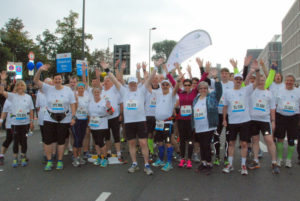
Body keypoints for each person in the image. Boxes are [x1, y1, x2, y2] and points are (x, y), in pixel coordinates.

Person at [102, 60, 157, 175]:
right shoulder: (124, 91)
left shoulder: (142, 91)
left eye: (134, 83)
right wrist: (107, 70)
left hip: (141, 121)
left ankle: (146, 164)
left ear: (137, 84)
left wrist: (155, 67)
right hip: (129, 123)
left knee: (143, 143)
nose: (132, 85)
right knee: (131, 143)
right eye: (131, 83)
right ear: (129, 84)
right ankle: (135, 163)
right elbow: (114, 80)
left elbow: (150, 78)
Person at [166, 59, 209, 169]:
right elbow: (173, 82)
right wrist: (168, 72)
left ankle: (189, 159)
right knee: (182, 140)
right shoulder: (180, 92)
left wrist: (202, 68)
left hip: (191, 120)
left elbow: (202, 79)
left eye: (189, 85)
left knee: (190, 141)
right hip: (181, 120)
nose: (187, 86)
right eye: (185, 85)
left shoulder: (195, 92)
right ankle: (182, 158)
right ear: (183, 85)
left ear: (191, 86)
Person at [34, 64, 76, 171]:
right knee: (48, 141)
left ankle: (60, 160)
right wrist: (40, 70)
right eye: (56, 79)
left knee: (61, 141)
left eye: (59, 79)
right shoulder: (48, 88)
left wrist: (73, 117)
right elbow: (36, 80)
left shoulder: (68, 91)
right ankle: (49, 161)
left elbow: (72, 105)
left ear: (62, 80)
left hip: (64, 118)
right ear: (53, 80)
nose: (57, 80)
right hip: (50, 117)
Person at [222, 60, 260, 175]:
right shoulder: (227, 92)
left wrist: (257, 70)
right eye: (236, 79)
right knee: (231, 143)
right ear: (233, 81)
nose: (238, 81)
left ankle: (243, 166)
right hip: (232, 121)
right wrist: (224, 119)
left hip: (245, 121)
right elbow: (225, 107)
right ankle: (230, 165)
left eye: (240, 80)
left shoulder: (246, 90)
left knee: (244, 144)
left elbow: (257, 82)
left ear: (242, 81)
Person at [248, 70, 280, 174]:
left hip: (265, 121)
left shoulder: (269, 93)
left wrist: (273, 121)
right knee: (255, 140)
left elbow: (272, 109)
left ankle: (274, 162)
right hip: (253, 120)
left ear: (265, 81)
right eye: (259, 80)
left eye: (263, 80)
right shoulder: (252, 91)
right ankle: (256, 160)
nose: (261, 82)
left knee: (269, 140)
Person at [0, 80, 34, 167]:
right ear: (16, 87)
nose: (20, 87)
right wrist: (3, 81)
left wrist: (31, 122)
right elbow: (2, 91)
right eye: (18, 86)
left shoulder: (28, 97)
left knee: (24, 141)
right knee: (15, 141)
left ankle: (23, 157)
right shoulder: (12, 96)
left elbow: (31, 110)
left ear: (24, 87)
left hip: (25, 123)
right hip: (15, 123)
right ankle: (15, 159)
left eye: (22, 86)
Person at [192, 79, 222, 174]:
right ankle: (203, 163)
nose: (203, 90)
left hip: (208, 126)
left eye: (205, 88)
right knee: (201, 145)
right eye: (201, 88)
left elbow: (219, 92)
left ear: (207, 89)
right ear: (198, 89)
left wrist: (217, 81)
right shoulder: (196, 99)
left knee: (206, 145)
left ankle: (209, 164)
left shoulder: (211, 97)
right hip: (198, 126)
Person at [151, 78, 177, 172]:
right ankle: (161, 160)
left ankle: (169, 163)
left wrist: (178, 81)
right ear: (161, 86)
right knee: (159, 142)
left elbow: (176, 88)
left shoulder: (171, 95)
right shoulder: (158, 94)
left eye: (167, 84)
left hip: (167, 123)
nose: (165, 86)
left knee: (168, 142)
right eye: (163, 84)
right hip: (158, 123)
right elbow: (147, 87)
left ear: (169, 86)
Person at [274, 74, 300, 168]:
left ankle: (288, 159)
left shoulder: (298, 91)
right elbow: (275, 105)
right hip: (281, 117)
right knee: (280, 138)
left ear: (294, 82)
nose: (289, 82)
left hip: (293, 118)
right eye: (287, 80)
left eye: (291, 81)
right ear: (285, 81)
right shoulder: (279, 91)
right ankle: (280, 158)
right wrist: (273, 119)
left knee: (291, 139)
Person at [212, 66, 234, 166]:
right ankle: (217, 157)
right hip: (218, 114)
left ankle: (226, 157)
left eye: (226, 73)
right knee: (216, 136)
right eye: (223, 73)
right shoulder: (216, 83)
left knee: (228, 137)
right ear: (220, 75)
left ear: (229, 75)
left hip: (230, 115)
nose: (224, 75)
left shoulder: (233, 84)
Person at [88, 87, 113, 168]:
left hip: (102, 124)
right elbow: (89, 114)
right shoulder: (90, 102)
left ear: (100, 93)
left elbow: (111, 112)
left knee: (100, 141)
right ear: (93, 93)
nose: (96, 93)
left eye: (98, 92)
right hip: (93, 124)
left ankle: (105, 158)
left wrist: (109, 107)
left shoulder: (104, 102)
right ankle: (99, 157)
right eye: (95, 92)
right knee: (96, 142)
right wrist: (89, 124)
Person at [36, 78, 57, 163]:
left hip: (53, 117)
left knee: (54, 136)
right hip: (42, 117)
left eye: (50, 83)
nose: (49, 85)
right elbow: (37, 106)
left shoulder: (55, 92)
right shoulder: (39, 93)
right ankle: (46, 153)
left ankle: (54, 153)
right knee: (45, 137)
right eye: (47, 83)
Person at [71, 82, 90, 167]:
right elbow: (74, 108)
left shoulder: (87, 97)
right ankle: (75, 158)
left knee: (81, 139)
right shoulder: (74, 97)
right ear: (77, 89)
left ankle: (79, 156)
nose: (81, 89)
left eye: (82, 88)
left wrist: (89, 122)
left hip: (84, 120)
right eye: (79, 88)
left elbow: (88, 110)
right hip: (77, 121)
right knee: (77, 139)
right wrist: (76, 100)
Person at [0, 99, 13, 165]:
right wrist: (1, 121)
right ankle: (1, 156)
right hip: (10, 124)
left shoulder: (25, 97)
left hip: (21, 123)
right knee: (8, 139)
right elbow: (4, 112)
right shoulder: (8, 100)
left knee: (21, 139)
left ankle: (23, 155)